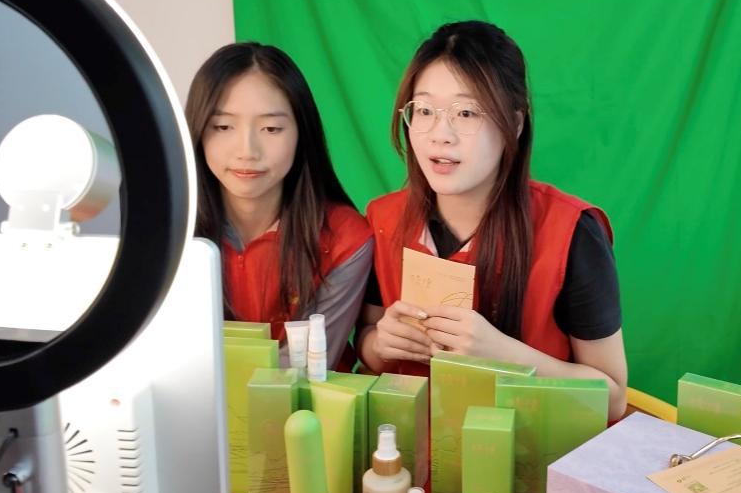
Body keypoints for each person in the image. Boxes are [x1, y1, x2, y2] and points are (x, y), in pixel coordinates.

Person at [356, 21, 627, 420]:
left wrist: (503, 354)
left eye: (466, 112)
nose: (440, 134)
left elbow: (613, 397)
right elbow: (367, 345)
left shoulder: (571, 231)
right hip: (410, 448)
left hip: (532, 449)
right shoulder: (383, 219)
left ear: (514, 124)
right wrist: (379, 344)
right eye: (425, 110)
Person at [185, 42, 372, 369]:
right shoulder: (170, 233)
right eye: (223, 126)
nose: (247, 151)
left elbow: (310, 366)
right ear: (198, 130)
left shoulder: (345, 239)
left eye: (271, 128)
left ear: (302, 133)